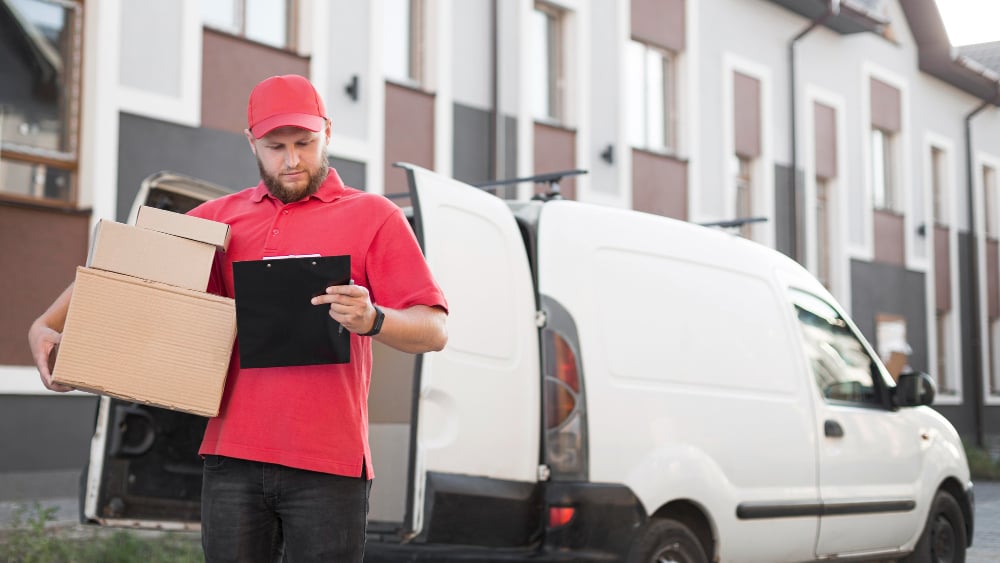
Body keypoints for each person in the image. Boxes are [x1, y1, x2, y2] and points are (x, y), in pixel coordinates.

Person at [27, 74, 449, 562]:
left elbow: (434, 329)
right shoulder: (215, 219)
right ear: (252, 142)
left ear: (327, 133)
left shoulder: (375, 216)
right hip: (231, 460)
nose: (292, 160)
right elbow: (119, 275)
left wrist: (375, 319)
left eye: (305, 143)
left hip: (328, 465)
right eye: (276, 146)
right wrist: (47, 324)